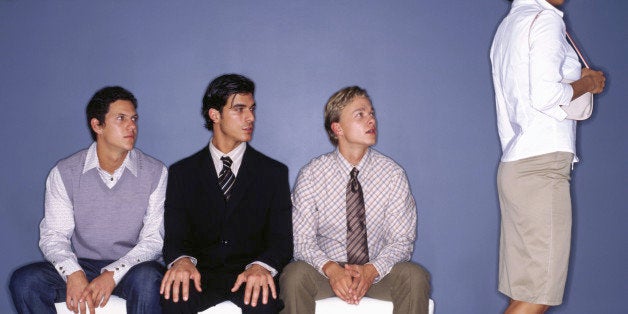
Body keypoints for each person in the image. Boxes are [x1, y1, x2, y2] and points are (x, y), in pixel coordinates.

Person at [490, 0, 606, 313]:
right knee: (538, 294)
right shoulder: (545, 20)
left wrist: (578, 86)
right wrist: (587, 83)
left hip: (517, 165)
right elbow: (545, 96)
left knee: (525, 292)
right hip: (542, 168)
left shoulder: (508, 26)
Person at [9, 86, 167, 314]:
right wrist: (73, 273)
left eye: (134, 119)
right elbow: (54, 235)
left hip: (134, 270)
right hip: (84, 266)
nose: (132, 126)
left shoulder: (155, 172)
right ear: (97, 125)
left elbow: (154, 240)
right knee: (25, 281)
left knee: (150, 278)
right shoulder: (65, 172)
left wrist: (112, 274)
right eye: (121, 118)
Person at [280, 86, 431, 314]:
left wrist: (371, 270)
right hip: (325, 273)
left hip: (378, 274)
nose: (371, 120)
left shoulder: (392, 174)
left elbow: (402, 240)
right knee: (293, 276)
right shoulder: (312, 174)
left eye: (371, 114)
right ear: (337, 127)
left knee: (415, 276)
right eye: (360, 114)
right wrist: (332, 270)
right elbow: (301, 241)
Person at [160, 73, 293, 313]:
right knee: (173, 298)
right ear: (215, 115)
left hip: (250, 276)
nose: (250, 117)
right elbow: (175, 237)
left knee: (265, 303)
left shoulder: (273, 173)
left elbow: (281, 240)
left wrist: (261, 266)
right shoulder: (182, 173)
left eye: (252, 109)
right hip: (199, 277)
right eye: (239, 109)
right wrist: (182, 260)